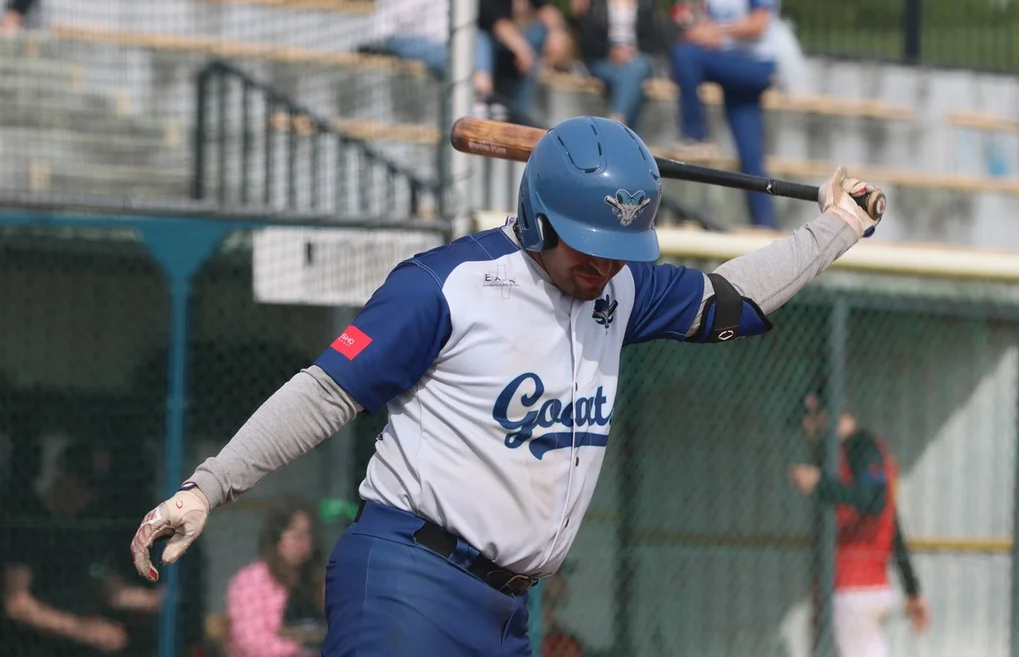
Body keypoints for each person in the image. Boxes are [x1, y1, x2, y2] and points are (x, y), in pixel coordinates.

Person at [129, 115, 883, 656]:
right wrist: (210, 485)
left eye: (620, 252)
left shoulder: (618, 292)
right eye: (588, 248)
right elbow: (326, 391)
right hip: (408, 580)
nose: (604, 267)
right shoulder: (446, 285)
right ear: (536, 218)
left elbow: (734, 300)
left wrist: (837, 229)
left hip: (506, 608)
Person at [788, 392, 932, 657]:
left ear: (825, 416)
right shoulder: (859, 448)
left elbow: (874, 502)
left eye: (808, 421)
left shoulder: (860, 446)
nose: (805, 429)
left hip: (855, 586)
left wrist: (820, 484)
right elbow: (893, 525)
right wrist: (912, 589)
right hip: (863, 586)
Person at [2, 440, 161, 656]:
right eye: (83, 483)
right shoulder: (30, 522)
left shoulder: (83, 527)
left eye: (94, 488)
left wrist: (152, 600)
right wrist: (82, 630)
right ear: (62, 474)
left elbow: (101, 578)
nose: (88, 495)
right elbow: (17, 603)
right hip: (32, 647)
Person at [669, 0, 781, 229]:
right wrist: (700, 31)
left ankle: (695, 135)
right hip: (731, 67)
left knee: (686, 57)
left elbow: (759, 24)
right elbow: (712, 28)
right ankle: (765, 225)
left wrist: (714, 33)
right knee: (750, 155)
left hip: (753, 67)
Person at [474, 0, 572, 123]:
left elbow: (541, 3)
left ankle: (519, 115)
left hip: (509, 42)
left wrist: (557, 32)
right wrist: (522, 48)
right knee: (480, 39)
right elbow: (494, 20)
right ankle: (483, 105)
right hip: (482, 45)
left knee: (539, 32)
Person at [576, 0, 667, 132]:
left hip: (638, 56)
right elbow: (588, 38)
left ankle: (615, 123)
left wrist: (633, 49)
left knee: (637, 67)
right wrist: (612, 51)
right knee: (631, 77)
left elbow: (655, 37)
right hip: (605, 59)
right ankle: (624, 131)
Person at [224, 498, 325, 657]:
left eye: (307, 534)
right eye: (295, 534)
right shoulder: (250, 582)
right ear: (276, 538)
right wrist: (298, 651)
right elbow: (253, 644)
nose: (302, 542)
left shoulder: (315, 580)